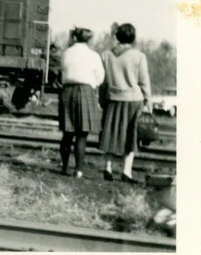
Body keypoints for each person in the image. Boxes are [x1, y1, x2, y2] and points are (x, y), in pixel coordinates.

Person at [98, 23, 152, 184]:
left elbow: (103, 81)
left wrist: (102, 99)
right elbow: (144, 81)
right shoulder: (139, 56)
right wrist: (148, 100)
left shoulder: (106, 55)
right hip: (133, 100)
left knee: (111, 134)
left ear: (117, 37)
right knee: (130, 136)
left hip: (113, 98)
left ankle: (107, 168)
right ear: (133, 38)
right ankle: (126, 171)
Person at [58, 27, 105, 178]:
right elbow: (100, 77)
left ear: (75, 38)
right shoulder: (93, 55)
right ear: (89, 40)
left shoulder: (66, 53)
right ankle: (78, 170)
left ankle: (64, 167)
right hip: (85, 91)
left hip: (67, 91)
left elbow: (62, 71)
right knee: (81, 134)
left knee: (67, 132)